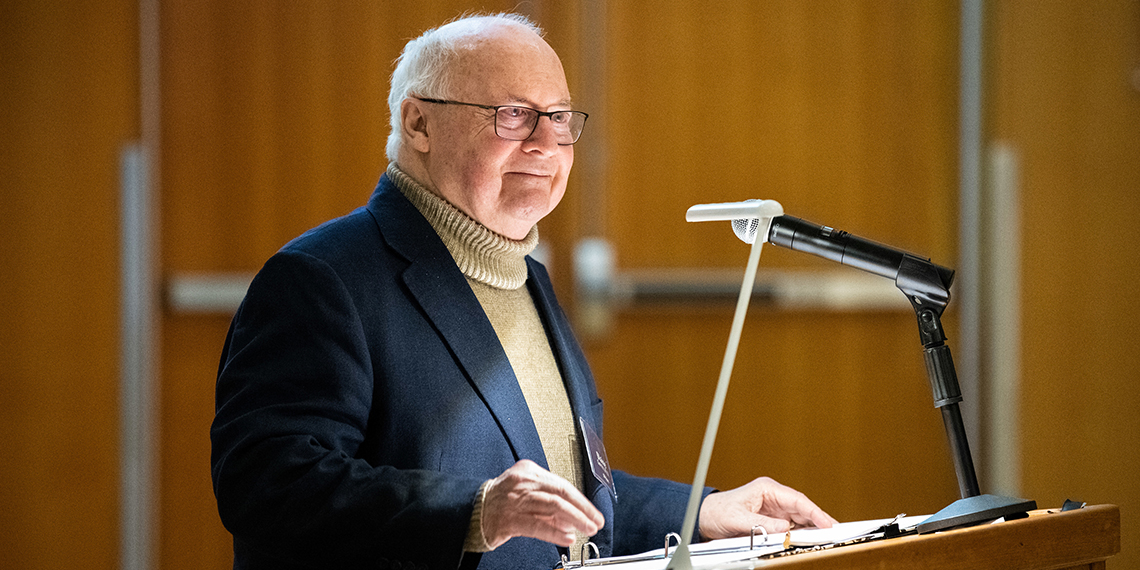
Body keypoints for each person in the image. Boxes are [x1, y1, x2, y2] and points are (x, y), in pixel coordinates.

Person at [210, 12, 836, 570]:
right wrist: (474, 511)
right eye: (513, 115)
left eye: (559, 118)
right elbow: (267, 484)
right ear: (419, 122)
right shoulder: (321, 280)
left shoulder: (525, 274)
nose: (545, 144)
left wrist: (702, 510)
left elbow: (561, 497)